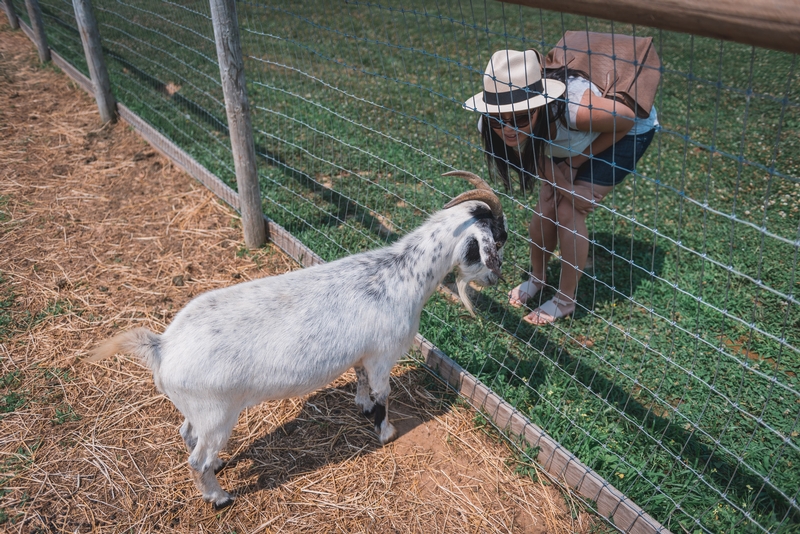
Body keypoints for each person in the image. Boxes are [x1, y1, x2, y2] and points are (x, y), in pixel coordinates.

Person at [463, 48, 657, 325]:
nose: (507, 129)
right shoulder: (493, 120)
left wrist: (575, 165)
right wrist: (564, 183)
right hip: (574, 137)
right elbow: (538, 159)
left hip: (626, 131)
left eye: (519, 118)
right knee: (546, 205)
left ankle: (566, 300)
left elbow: (626, 120)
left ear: (539, 106)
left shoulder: (575, 111)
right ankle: (538, 278)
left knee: (568, 212)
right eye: (498, 119)